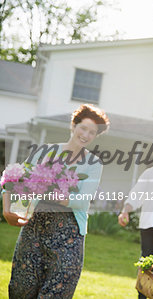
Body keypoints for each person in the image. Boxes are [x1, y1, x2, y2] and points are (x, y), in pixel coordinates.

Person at [2, 104, 109, 298]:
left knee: (58, 291)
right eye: (83, 128)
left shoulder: (94, 163)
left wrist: (52, 194)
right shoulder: (45, 152)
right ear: (73, 125)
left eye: (92, 132)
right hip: (34, 230)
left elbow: (83, 201)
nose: (86, 134)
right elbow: (13, 177)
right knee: (21, 288)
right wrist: (7, 209)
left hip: (69, 235)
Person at [118, 140, 153, 299]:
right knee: (146, 259)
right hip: (148, 223)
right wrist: (125, 211)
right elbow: (136, 195)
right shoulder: (149, 174)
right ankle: (142, 294)